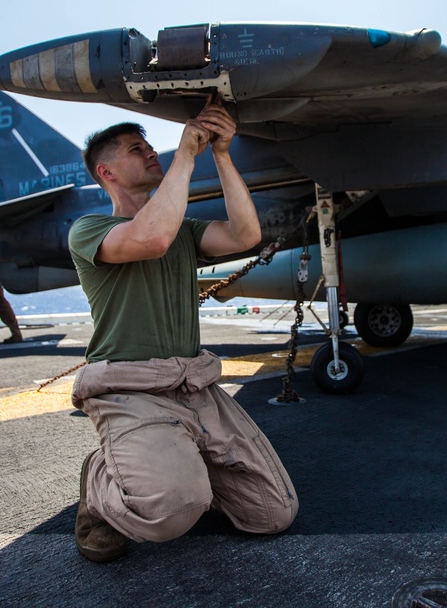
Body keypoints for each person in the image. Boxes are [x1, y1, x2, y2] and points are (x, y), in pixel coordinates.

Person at [67, 96, 298, 562]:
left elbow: (245, 236)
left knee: (274, 515)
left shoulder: (184, 232)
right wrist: (187, 156)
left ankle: (174, 465)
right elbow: (150, 238)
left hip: (194, 384)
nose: (152, 151)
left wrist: (221, 153)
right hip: (129, 388)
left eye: (149, 145)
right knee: (172, 514)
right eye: (136, 149)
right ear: (105, 172)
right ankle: (100, 486)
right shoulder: (90, 229)